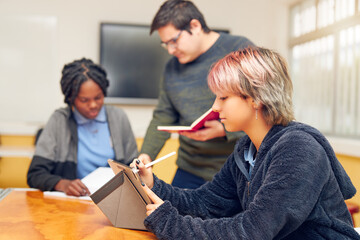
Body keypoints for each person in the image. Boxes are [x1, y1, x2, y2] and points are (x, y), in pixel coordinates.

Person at [132, 47, 359, 239]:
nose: (215, 107)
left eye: (223, 97)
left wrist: (172, 225)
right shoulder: (246, 148)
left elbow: (252, 231)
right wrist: (153, 184)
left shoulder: (299, 150)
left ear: (256, 98)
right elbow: (206, 203)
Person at [139, 0, 254, 189]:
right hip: (188, 169)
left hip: (235, 168)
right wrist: (145, 156)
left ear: (195, 26)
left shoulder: (240, 50)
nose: (170, 50)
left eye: (174, 41)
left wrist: (224, 130)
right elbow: (162, 116)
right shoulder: (171, 68)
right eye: (165, 44)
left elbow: (264, 107)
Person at [27, 58, 138, 197]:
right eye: (84, 100)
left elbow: (134, 167)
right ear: (71, 98)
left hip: (115, 199)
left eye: (98, 98)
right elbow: (35, 175)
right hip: (74, 202)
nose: (93, 105)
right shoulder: (59, 120)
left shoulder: (118, 117)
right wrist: (63, 184)